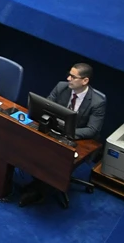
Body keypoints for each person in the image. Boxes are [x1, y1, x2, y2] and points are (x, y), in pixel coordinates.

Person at [19, 63, 107, 207]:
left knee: (53, 156)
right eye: (69, 74)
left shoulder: (98, 102)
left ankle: (38, 191)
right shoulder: (62, 87)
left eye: (73, 77)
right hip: (54, 132)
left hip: (78, 140)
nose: (68, 78)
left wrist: (67, 133)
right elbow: (45, 106)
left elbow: (92, 130)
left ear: (85, 81)